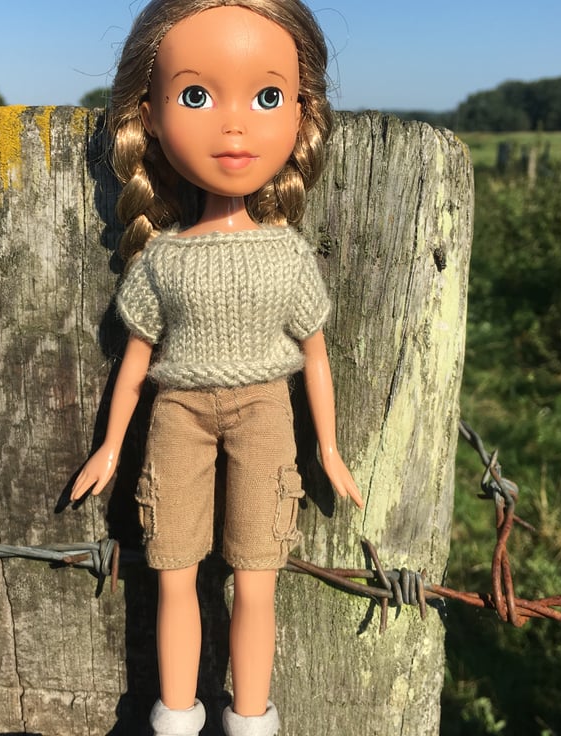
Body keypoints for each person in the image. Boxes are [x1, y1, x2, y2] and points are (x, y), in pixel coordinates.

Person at [71, 2, 363, 734]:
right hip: (179, 414)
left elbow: (315, 354)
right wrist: (109, 445)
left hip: (266, 412)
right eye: (196, 95)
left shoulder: (287, 253)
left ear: (301, 113)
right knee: (172, 573)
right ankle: (175, 715)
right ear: (149, 115)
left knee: (256, 579)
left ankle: (251, 717)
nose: (234, 127)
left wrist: (329, 449)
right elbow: (135, 362)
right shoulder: (163, 258)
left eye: (267, 97)